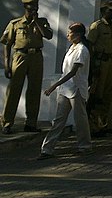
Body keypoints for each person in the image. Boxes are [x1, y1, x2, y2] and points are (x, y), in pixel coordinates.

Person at [38, 22, 92, 159]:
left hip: (76, 88)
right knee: (59, 119)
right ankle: (47, 149)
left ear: (78, 35)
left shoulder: (82, 50)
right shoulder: (71, 48)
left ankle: (84, 146)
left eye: (70, 33)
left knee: (80, 119)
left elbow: (73, 72)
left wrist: (54, 85)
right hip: (66, 88)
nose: (68, 35)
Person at [1, 0, 53, 134]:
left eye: (35, 9)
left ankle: (31, 123)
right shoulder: (15, 24)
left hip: (36, 56)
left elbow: (48, 36)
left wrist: (37, 22)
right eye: (30, 9)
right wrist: (6, 64)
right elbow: (6, 44)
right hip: (20, 57)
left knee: (34, 90)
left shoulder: (42, 22)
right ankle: (7, 123)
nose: (33, 12)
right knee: (14, 90)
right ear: (25, 9)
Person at [87, 0, 112, 136]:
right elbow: (90, 46)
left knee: (108, 94)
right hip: (101, 62)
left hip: (111, 61)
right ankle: (94, 126)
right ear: (103, 11)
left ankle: (103, 124)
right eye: (110, 10)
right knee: (97, 95)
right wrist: (93, 66)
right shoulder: (97, 26)